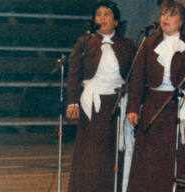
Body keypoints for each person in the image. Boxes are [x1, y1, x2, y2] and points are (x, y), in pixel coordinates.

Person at [125, 1, 185, 191]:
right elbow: (137, 78)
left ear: (181, 21)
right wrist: (133, 108)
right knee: (150, 158)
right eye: (163, 14)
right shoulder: (149, 43)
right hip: (153, 106)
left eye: (171, 14)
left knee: (179, 156)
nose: (166, 19)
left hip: (180, 105)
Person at [65, 1, 137, 191]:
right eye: (98, 14)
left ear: (116, 21)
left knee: (113, 152)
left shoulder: (127, 45)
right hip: (92, 104)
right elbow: (74, 74)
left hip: (116, 104)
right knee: (91, 153)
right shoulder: (85, 42)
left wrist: (132, 107)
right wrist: (72, 102)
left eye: (106, 14)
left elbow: (136, 77)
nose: (102, 18)